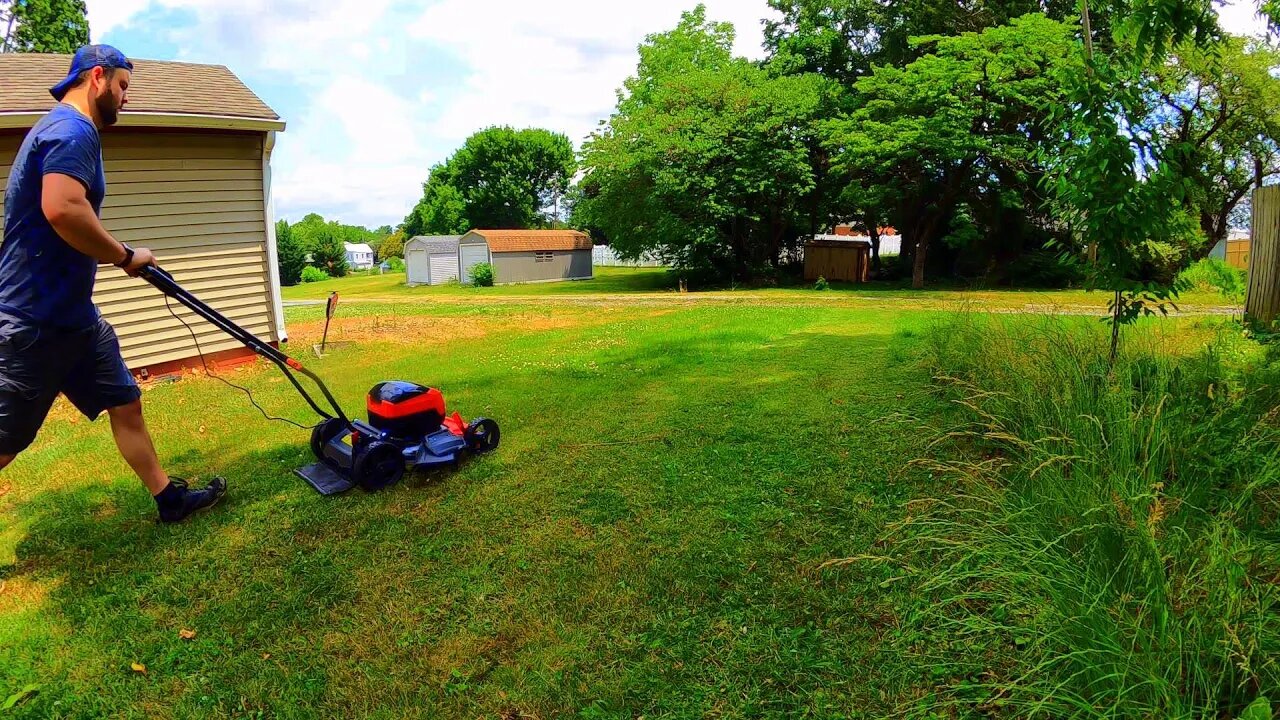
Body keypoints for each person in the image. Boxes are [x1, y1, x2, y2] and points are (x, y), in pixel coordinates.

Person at [0, 44, 227, 522]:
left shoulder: (60, 128)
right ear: (97, 77)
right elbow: (62, 208)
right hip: (33, 322)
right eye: (123, 85)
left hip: (75, 318)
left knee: (125, 403)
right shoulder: (72, 128)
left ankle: (169, 501)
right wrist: (126, 257)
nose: (126, 97)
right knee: (4, 444)